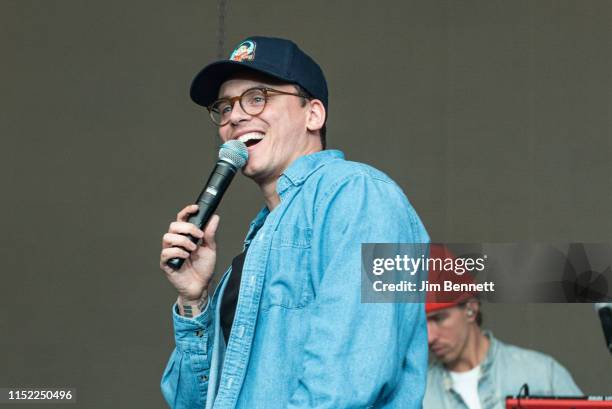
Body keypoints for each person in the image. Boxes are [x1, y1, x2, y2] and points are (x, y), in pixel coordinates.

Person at [159, 36, 430, 409]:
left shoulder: (362, 196)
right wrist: (194, 300)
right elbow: (189, 402)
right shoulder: (256, 246)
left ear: (313, 114)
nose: (234, 116)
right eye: (223, 107)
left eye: (257, 98)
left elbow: (348, 383)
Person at [424, 245, 583, 409]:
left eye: (438, 319)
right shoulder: (419, 395)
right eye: (422, 324)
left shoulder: (541, 375)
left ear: (470, 309)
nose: (429, 337)